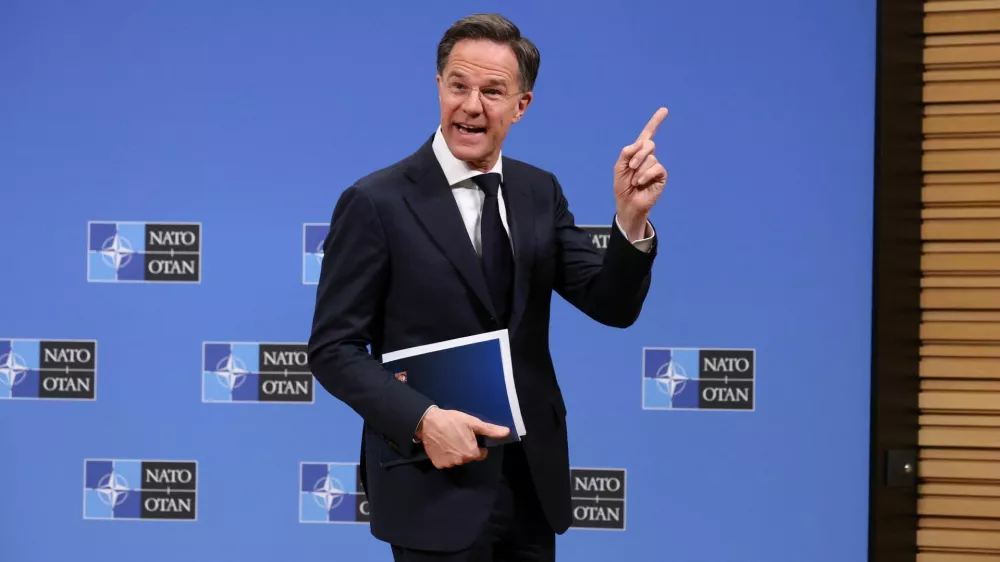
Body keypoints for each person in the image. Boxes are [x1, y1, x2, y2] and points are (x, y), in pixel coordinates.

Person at [307, 12, 666, 562]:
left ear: (521, 105)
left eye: (493, 91)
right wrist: (423, 421)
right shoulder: (376, 202)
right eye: (458, 85)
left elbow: (610, 305)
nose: (471, 106)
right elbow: (334, 350)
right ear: (438, 87)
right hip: (432, 482)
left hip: (530, 484)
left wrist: (630, 220)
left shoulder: (538, 191)